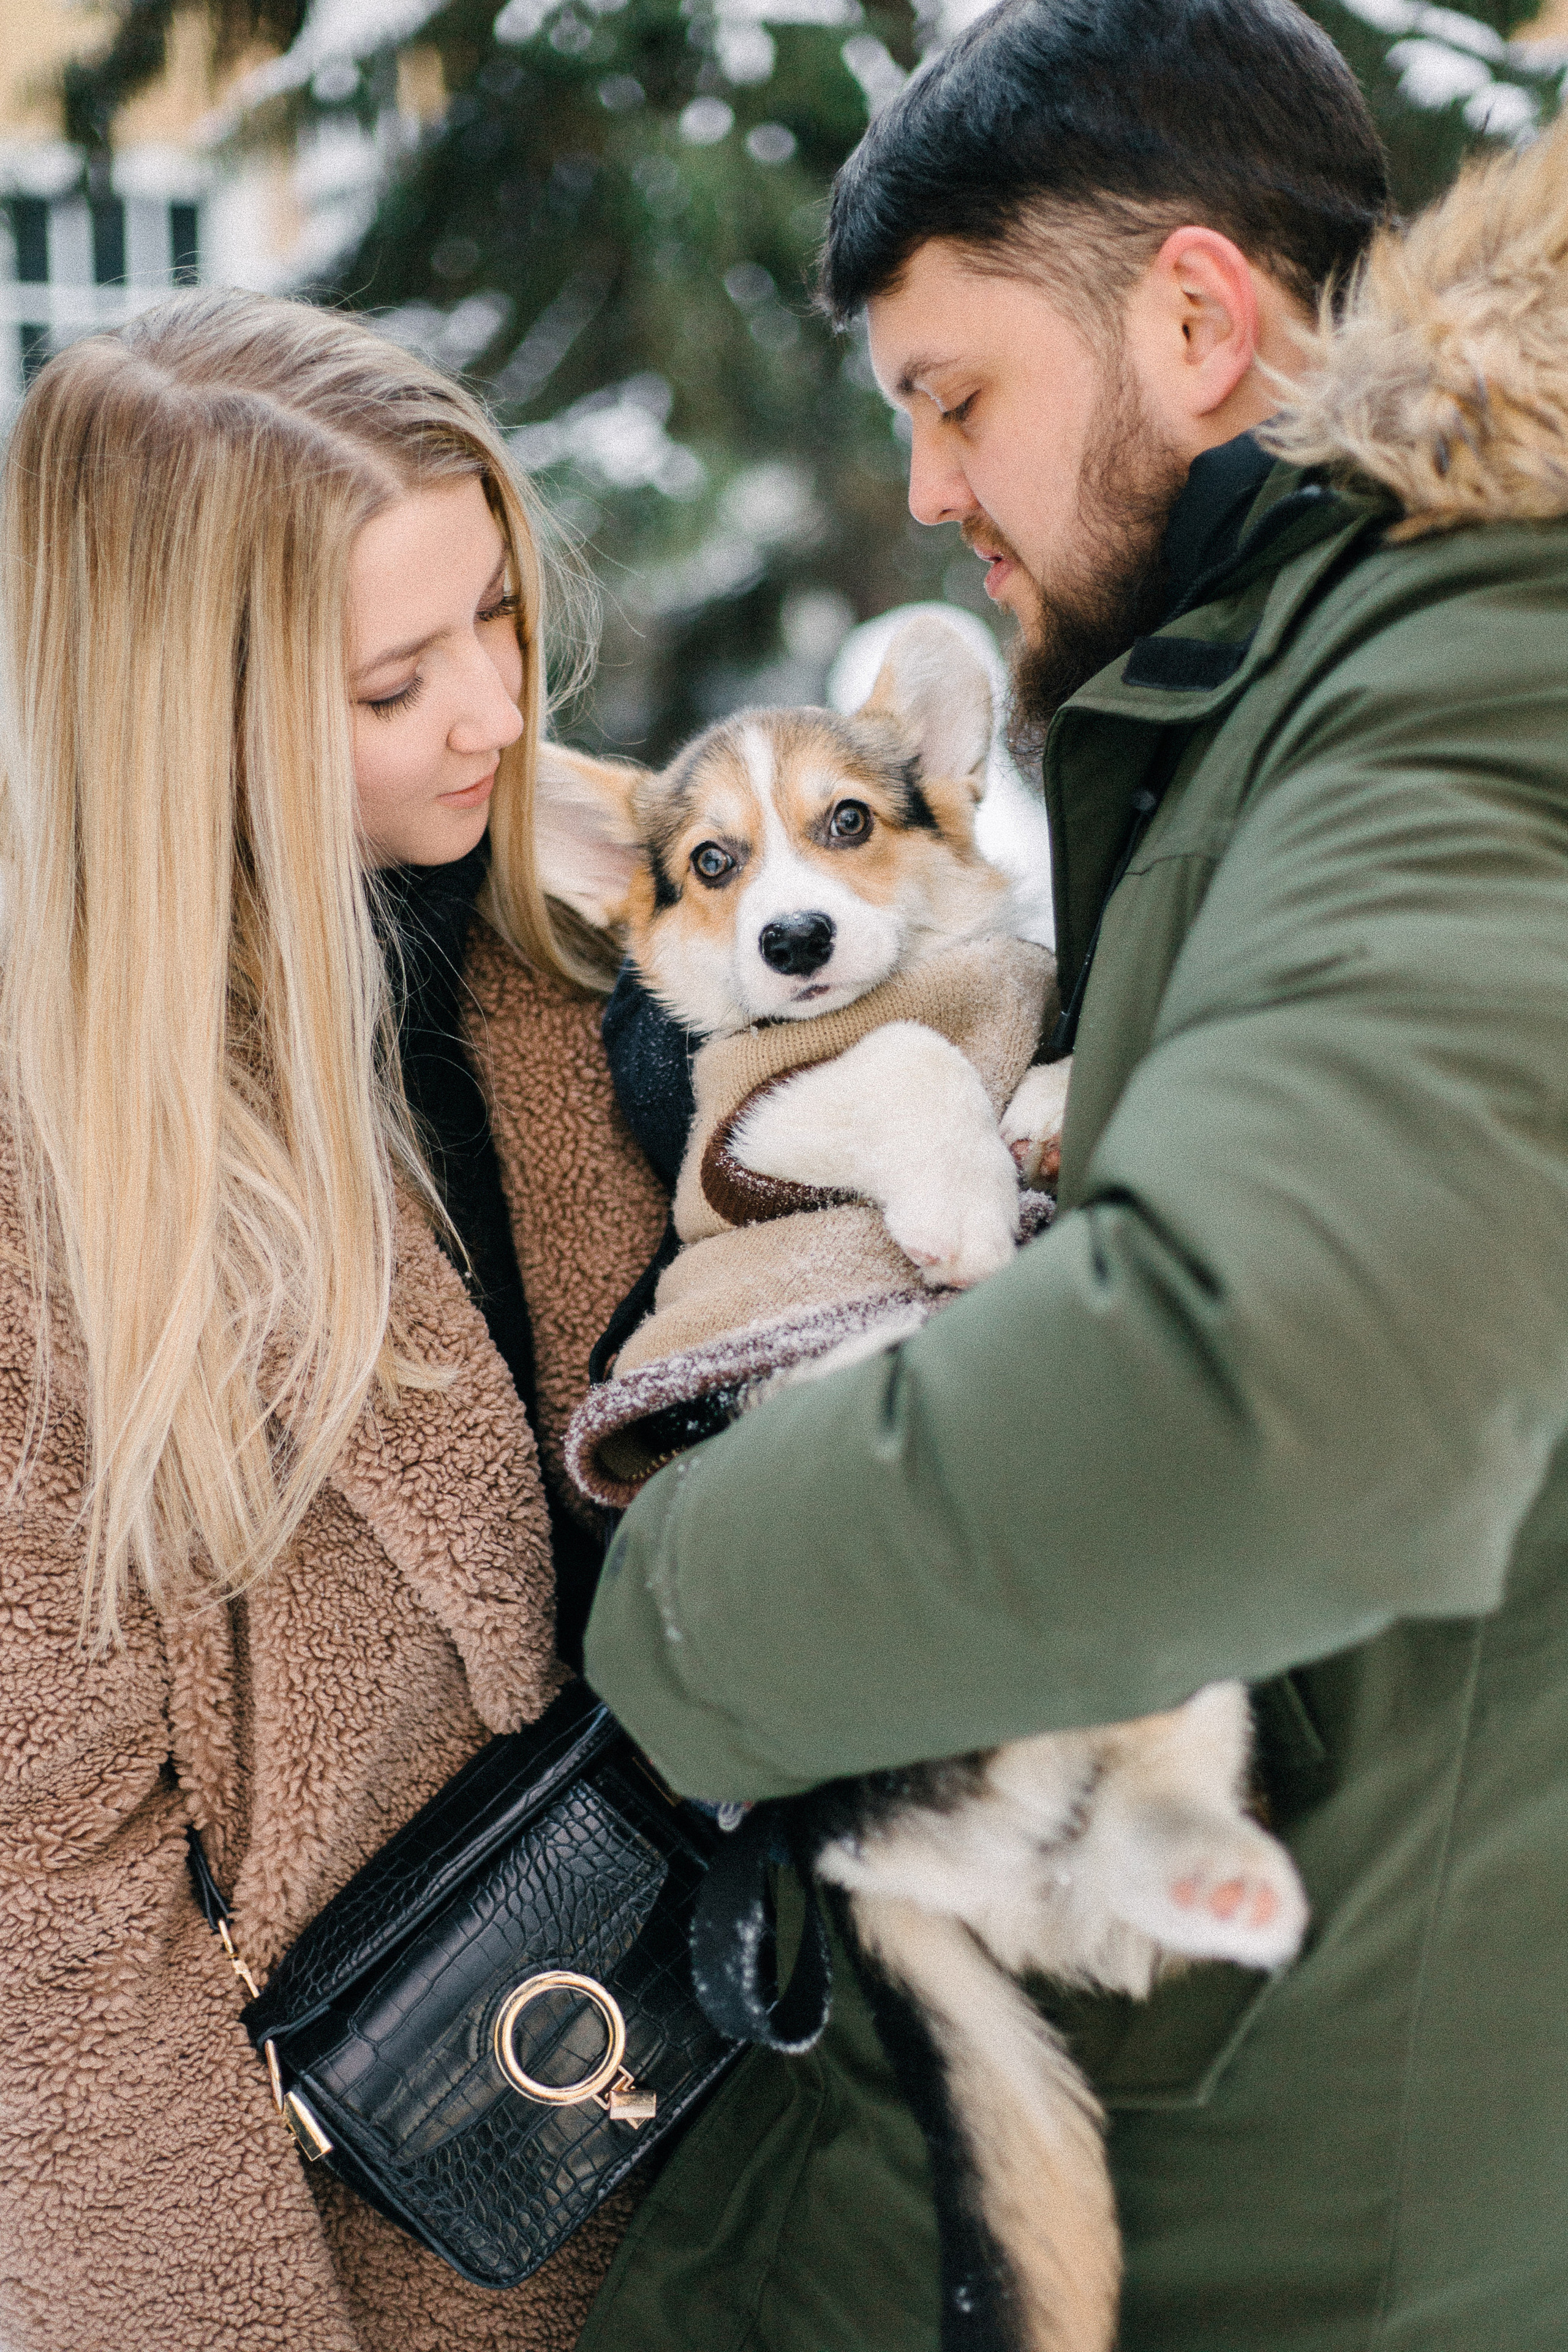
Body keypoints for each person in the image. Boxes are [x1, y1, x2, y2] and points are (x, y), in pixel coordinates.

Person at [580, 2, 1568, 2347]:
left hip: (1283, 2209)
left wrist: (689, 1611)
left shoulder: (1454, 678)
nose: (926, 487)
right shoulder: (1273, 675)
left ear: (1200, 320)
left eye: (958, 396)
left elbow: (1275, 1382)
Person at [0, 291, 667, 2350]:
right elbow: (52, 1934)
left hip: (755, 2147)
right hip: (397, 2248)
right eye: (396, 679)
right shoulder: (61, 1186)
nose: (490, 709)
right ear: (182, 717)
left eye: (497, 617)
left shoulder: (613, 939)